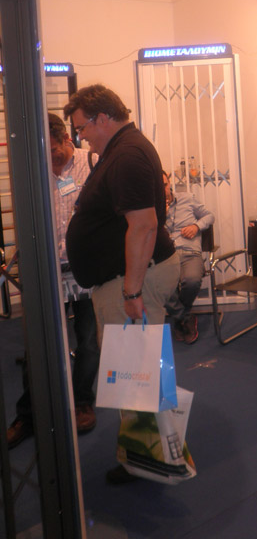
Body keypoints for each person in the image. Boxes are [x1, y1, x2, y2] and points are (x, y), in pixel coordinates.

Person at [63, 84, 180, 484]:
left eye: (82, 128)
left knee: (136, 376)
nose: (81, 137)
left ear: (102, 118)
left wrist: (131, 291)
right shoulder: (121, 149)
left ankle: (149, 460)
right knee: (137, 372)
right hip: (125, 279)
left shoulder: (127, 155)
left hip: (131, 281)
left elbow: (144, 226)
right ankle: (147, 454)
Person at [7, 113, 100, 449]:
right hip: (47, 271)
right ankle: (28, 415)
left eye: (55, 151)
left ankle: (82, 402)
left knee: (88, 341)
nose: (51, 159)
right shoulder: (34, 169)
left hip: (86, 271)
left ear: (65, 139)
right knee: (38, 343)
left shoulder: (92, 164)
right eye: (44, 153)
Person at [163, 171, 215, 344]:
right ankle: (185, 319)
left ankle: (179, 318)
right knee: (162, 286)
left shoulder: (187, 198)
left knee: (192, 281)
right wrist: (161, 215)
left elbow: (210, 216)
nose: (163, 190)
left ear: (169, 183)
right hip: (166, 256)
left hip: (190, 252)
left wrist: (196, 226)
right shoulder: (152, 208)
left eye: (164, 185)